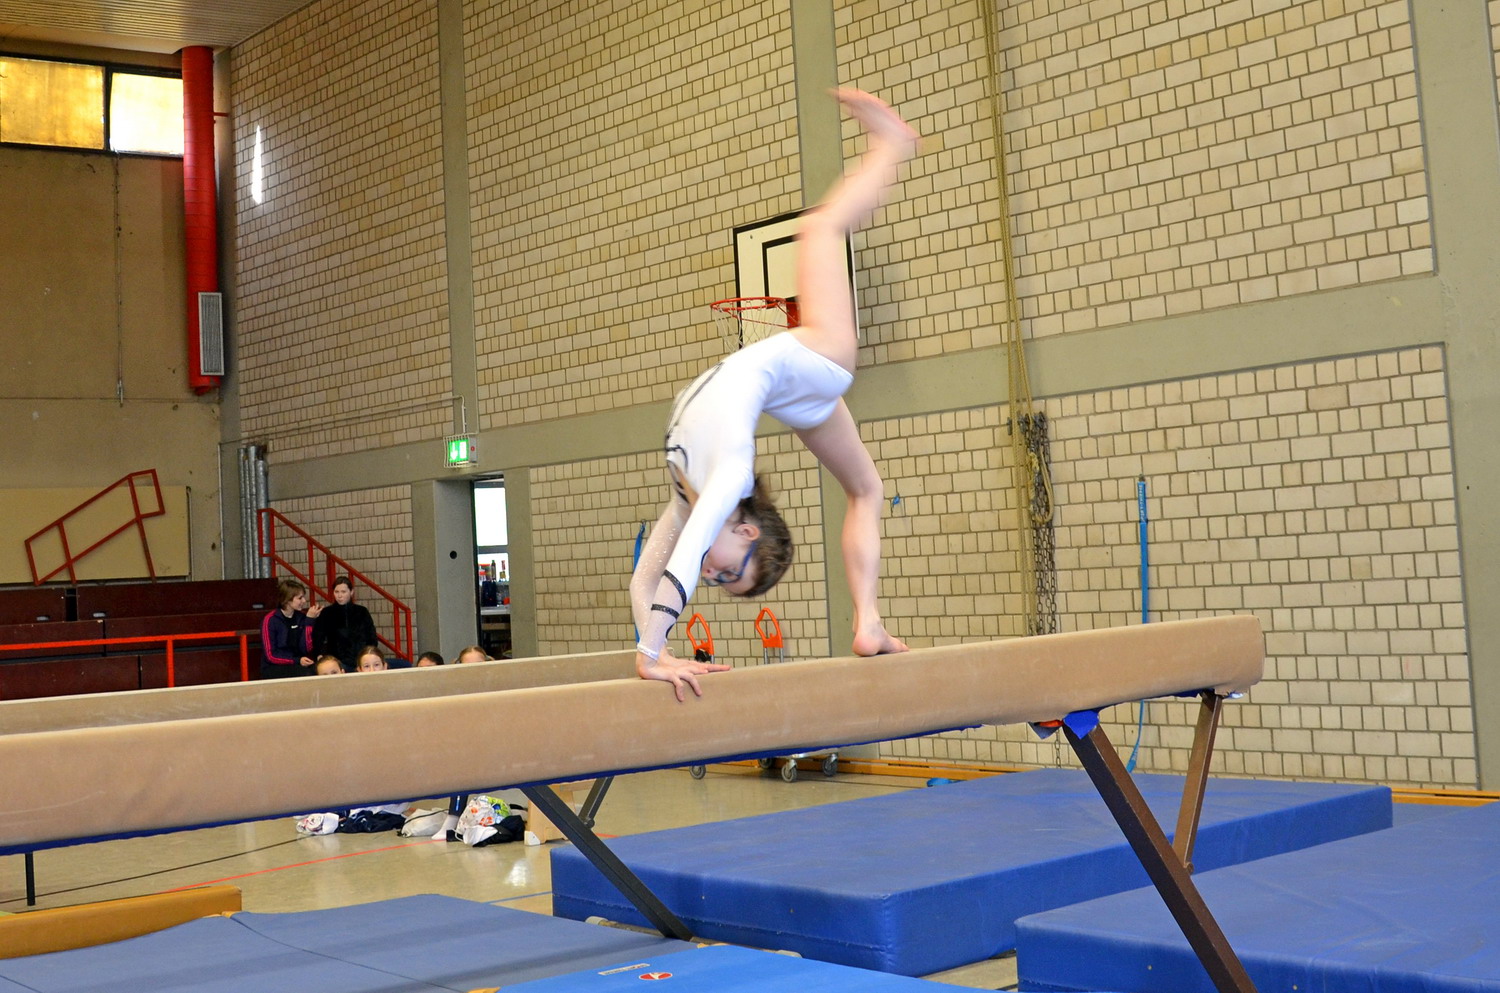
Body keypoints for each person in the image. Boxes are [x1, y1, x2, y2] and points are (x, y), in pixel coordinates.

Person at [630, 89, 916, 701]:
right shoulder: (727, 479)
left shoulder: (692, 499)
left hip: (793, 386)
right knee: (820, 227)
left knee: (866, 488)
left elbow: (648, 578)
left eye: (719, 581)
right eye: (728, 572)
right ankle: (893, 145)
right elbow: (676, 569)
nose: (712, 573)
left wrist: (654, 647)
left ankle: (869, 622)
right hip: (814, 368)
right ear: (747, 534)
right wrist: (651, 653)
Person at [312, 575, 379, 672]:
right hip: (337, 661)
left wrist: (367, 656)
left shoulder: (362, 612)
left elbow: (371, 636)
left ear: (351, 592)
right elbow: (318, 637)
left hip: (360, 660)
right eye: (336, 592)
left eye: (343, 592)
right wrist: (319, 654)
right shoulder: (326, 613)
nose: (339, 595)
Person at [261, 578, 322, 678]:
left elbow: (306, 648)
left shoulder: (301, 617)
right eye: (300, 598)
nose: (304, 601)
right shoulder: (270, 620)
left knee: (320, 670)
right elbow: (270, 656)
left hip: (297, 662)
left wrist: (309, 621)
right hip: (275, 666)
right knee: (306, 673)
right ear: (287, 600)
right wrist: (296, 660)